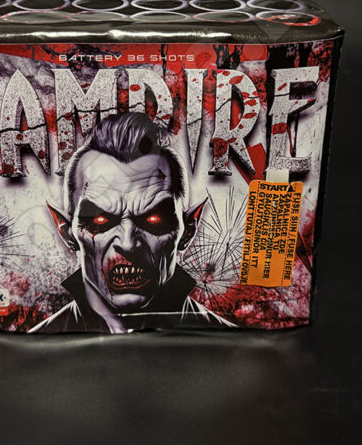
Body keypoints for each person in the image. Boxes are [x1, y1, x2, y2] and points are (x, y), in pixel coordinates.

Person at [29, 112, 234, 333]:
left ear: (187, 230)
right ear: (67, 232)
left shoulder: (231, 346)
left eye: (154, 219)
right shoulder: (34, 347)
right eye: (100, 219)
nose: (127, 243)